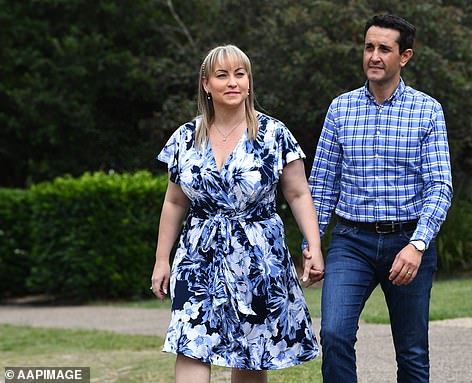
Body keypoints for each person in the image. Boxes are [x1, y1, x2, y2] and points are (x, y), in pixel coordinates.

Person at [151, 44, 324, 383]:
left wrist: (313, 245)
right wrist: (162, 259)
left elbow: (299, 193)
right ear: (206, 84)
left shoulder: (274, 134)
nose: (232, 82)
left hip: (257, 257)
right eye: (222, 75)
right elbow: (174, 202)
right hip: (198, 255)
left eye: (240, 74)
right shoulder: (185, 138)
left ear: (249, 81)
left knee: (249, 351)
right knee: (191, 341)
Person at [304, 14, 453, 383]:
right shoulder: (341, 109)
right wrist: (313, 245)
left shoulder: (427, 110)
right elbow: (321, 185)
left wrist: (418, 245)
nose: (374, 55)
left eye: (384, 49)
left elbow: (440, 186)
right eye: (369, 47)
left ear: (405, 57)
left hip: (408, 242)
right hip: (351, 242)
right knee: (334, 333)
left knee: (412, 350)